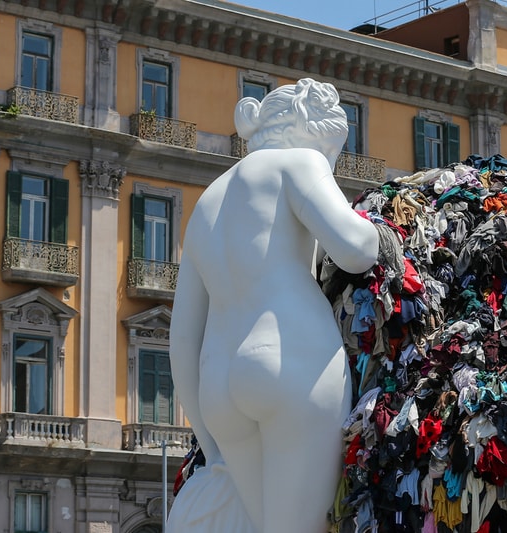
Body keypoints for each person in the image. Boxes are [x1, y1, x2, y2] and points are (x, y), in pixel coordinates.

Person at [167, 78, 379, 533]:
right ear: (315, 136)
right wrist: (381, 223)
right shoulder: (299, 163)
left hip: (218, 387)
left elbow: (181, 341)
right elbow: (358, 248)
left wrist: (212, 442)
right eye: (333, 155)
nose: (331, 165)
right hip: (291, 362)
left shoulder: (207, 200)